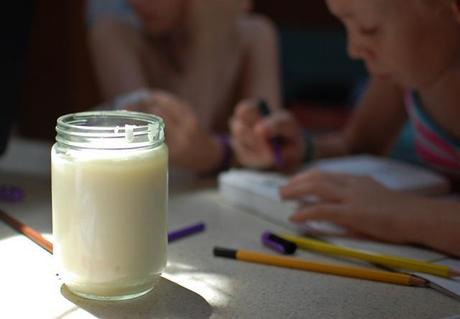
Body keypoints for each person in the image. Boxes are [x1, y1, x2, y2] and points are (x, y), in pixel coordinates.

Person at [230, 0, 460, 257]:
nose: (353, 49)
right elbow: (356, 145)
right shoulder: (410, 71)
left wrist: (401, 215)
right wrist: (304, 149)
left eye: (368, 28)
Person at [88, 0, 281, 174]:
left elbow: (270, 150)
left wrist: (208, 33)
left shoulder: (255, 34)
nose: (138, 3)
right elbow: (160, 148)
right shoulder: (114, 35)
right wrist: (220, 152)